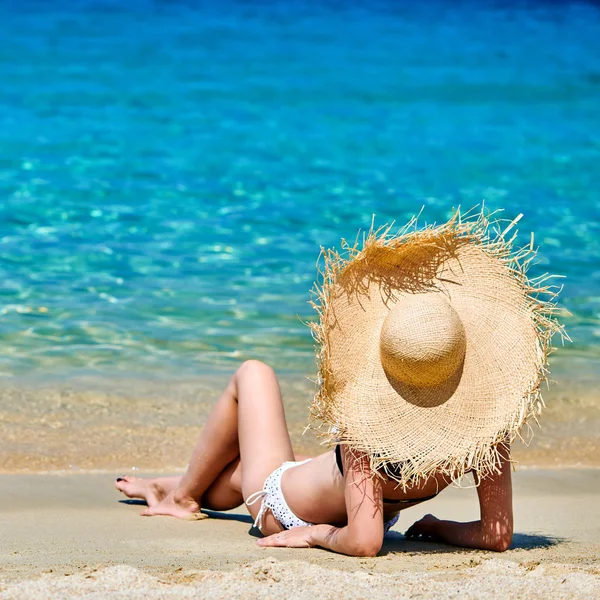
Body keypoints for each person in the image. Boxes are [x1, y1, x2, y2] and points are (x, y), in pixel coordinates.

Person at [115, 209, 563, 557]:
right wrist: (437, 526)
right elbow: (496, 534)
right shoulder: (486, 428)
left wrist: (315, 534)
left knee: (254, 373)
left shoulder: (368, 427)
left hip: (279, 508)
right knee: (241, 477)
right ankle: (172, 487)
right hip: (317, 487)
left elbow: (364, 543)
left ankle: (179, 497)